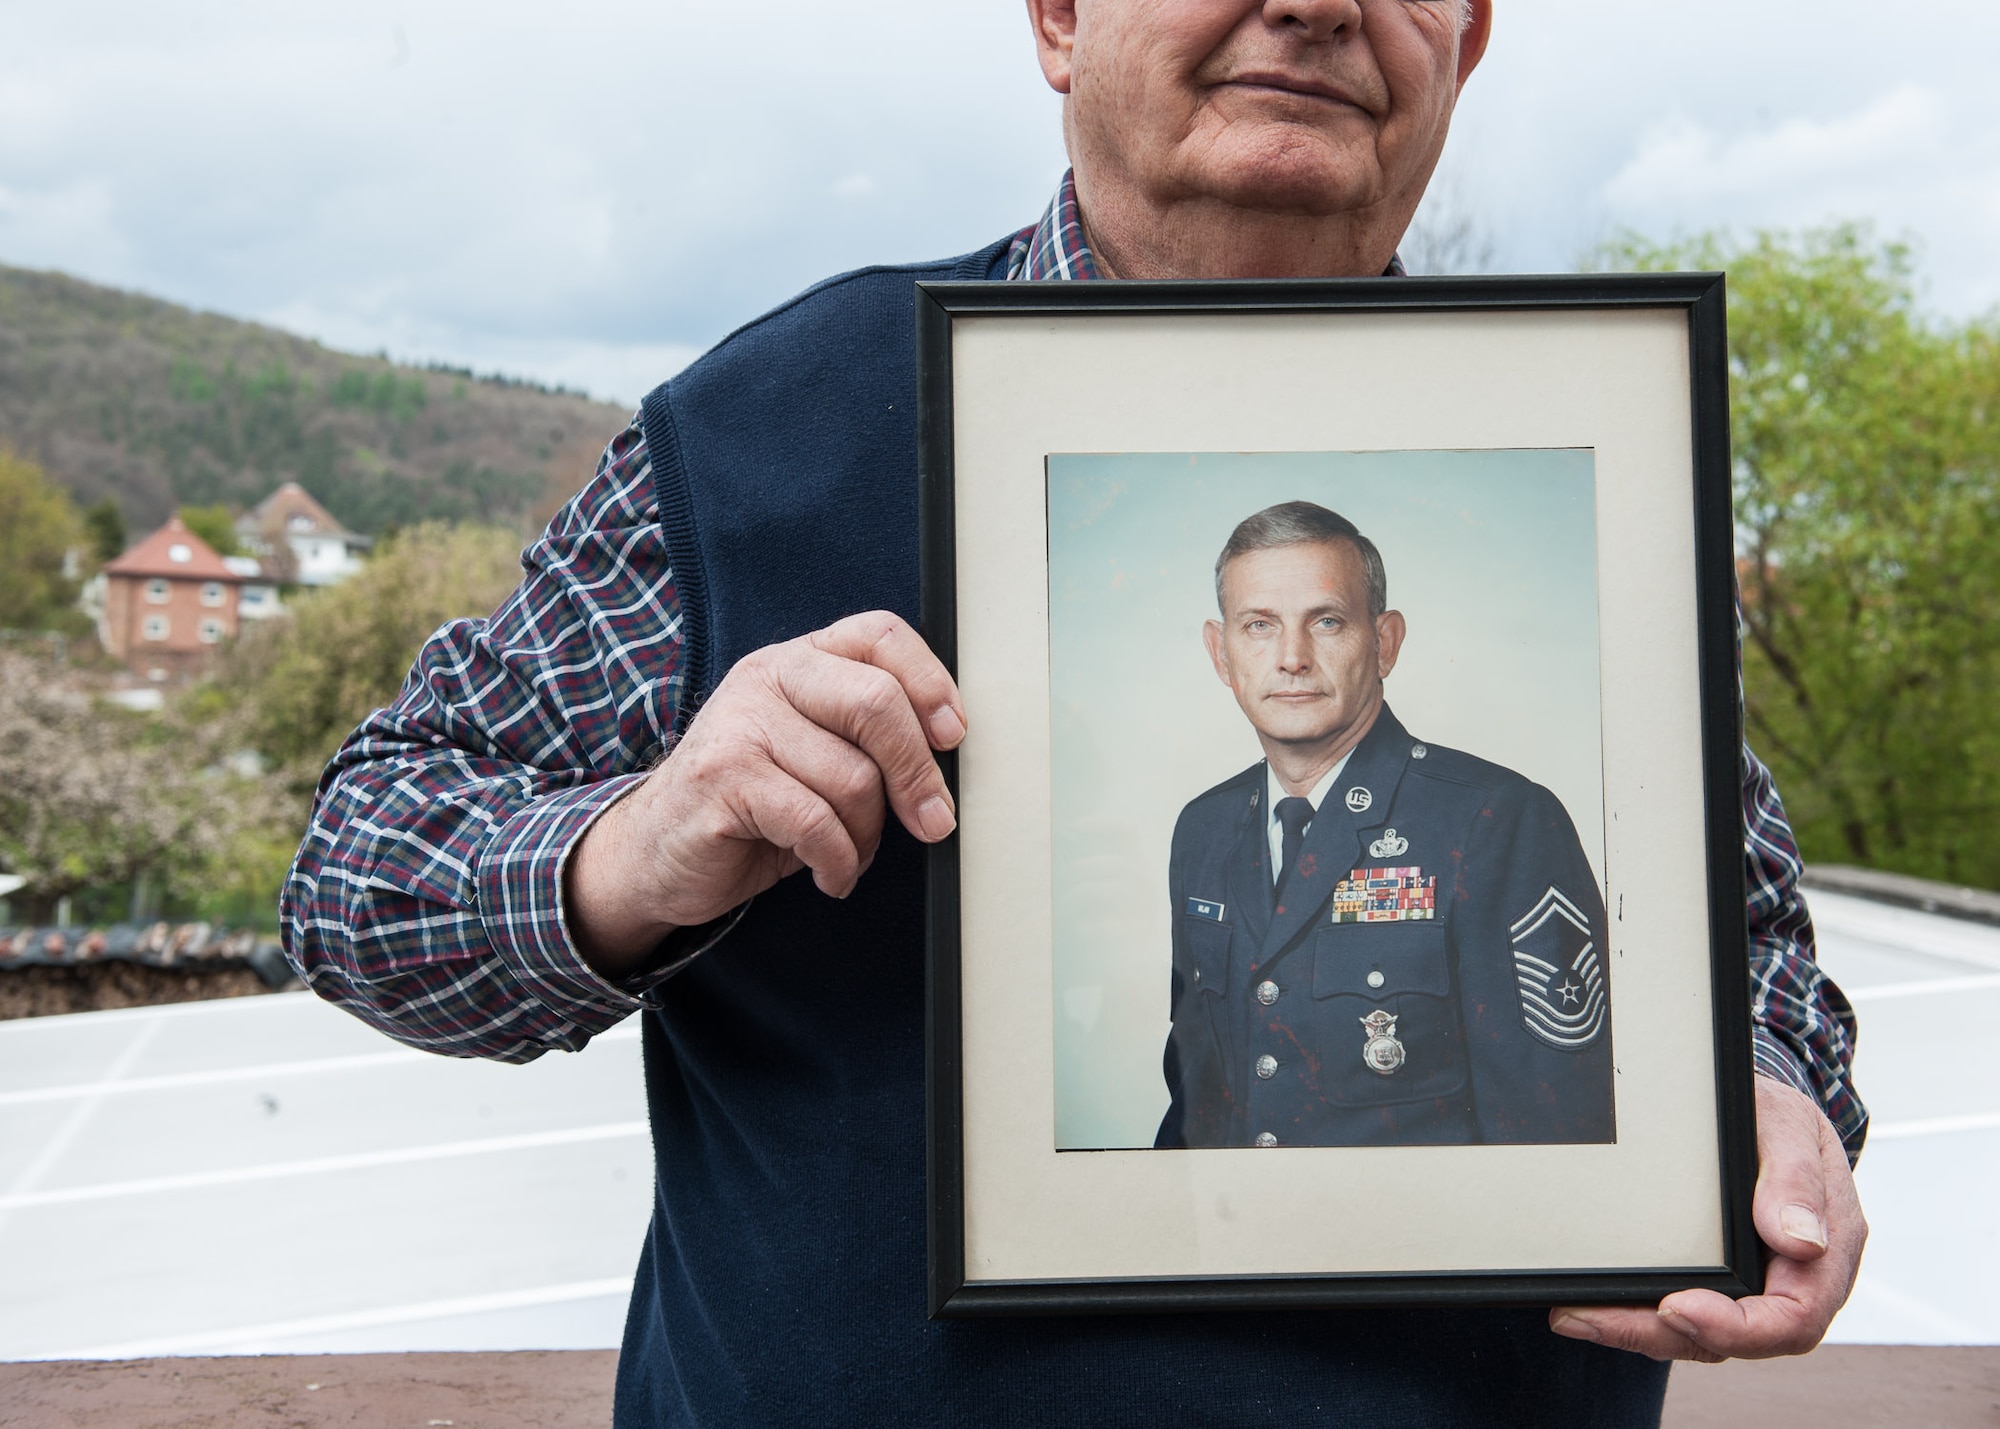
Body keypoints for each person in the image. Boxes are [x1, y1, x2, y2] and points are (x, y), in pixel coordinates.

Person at [284, 2, 1866, 1424]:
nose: (1313, 6)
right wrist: (638, 844)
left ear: (1463, 40)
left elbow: (1751, 936)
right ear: (1056, 19)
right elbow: (354, 878)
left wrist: (1772, 1097)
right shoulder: (765, 436)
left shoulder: (1584, 428)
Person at [1157, 501, 1615, 1150]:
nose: (1292, 657)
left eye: (1327, 620)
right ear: (1221, 651)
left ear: (1385, 641)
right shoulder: (1203, 829)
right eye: (1259, 624)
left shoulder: (1496, 821)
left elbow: (1557, 1133)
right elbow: (1192, 1110)